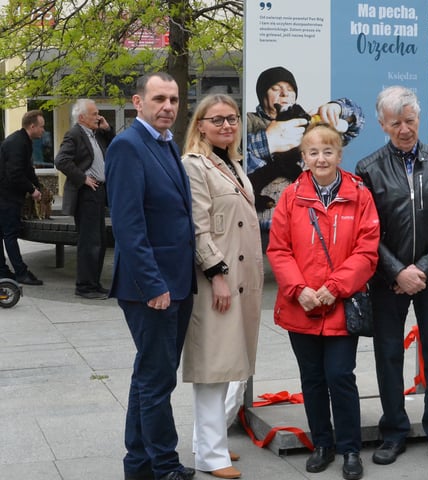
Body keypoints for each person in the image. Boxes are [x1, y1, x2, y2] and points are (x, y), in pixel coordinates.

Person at [355, 86, 428, 469]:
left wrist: (424, 268)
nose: (404, 129)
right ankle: (393, 432)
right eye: (395, 123)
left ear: (419, 118)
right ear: (382, 124)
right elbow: (366, 230)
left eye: (410, 120)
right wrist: (397, 271)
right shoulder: (368, 168)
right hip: (388, 280)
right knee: (389, 356)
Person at [267, 123, 379, 480]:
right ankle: (322, 444)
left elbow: (367, 250)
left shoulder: (359, 195)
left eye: (328, 151)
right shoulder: (291, 197)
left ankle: (349, 448)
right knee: (312, 379)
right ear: (303, 157)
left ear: (340, 155)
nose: (321, 158)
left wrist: (336, 287)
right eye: (313, 152)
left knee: (340, 376)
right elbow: (279, 249)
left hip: (340, 303)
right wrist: (298, 289)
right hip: (301, 304)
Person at [105, 72, 197, 480]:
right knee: (157, 381)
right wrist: (153, 284)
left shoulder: (166, 143)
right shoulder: (128, 146)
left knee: (149, 377)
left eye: (173, 99)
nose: (168, 107)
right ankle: (164, 466)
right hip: (153, 288)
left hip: (177, 282)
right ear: (138, 102)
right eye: (159, 98)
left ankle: (139, 465)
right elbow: (128, 226)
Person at [180, 94, 263, 480]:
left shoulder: (233, 163)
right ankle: (211, 456)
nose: (227, 125)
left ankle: (207, 442)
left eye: (231, 119)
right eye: (217, 120)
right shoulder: (194, 165)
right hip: (217, 279)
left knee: (230, 365)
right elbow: (198, 227)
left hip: (241, 280)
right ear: (200, 125)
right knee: (214, 366)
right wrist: (216, 275)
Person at [246, 66, 364, 233]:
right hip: (260, 228)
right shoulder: (247, 122)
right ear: (262, 94)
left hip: (305, 227)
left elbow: (355, 125)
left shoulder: (305, 122)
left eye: (290, 89)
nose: (284, 94)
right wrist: (267, 141)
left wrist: (337, 108)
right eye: (276, 89)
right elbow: (232, 161)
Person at [54, 99, 115, 299]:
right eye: (94, 114)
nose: (98, 117)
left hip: (99, 192)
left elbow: (114, 146)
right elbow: (61, 160)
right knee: (90, 242)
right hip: (86, 194)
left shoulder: (95, 134)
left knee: (100, 240)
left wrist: (107, 129)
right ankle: (84, 287)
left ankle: (94, 284)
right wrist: (82, 178)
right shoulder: (74, 134)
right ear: (82, 117)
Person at [0, 110, 46, 286]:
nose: (43, 130)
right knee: (10, 234)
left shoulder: (22, 141)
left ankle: (3, 272)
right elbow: (15, 173)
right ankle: (20, 273)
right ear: (32, 126)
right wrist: (32, 190)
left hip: (6, 195)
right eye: (41, 127)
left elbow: (27, 169)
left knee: (4, 234)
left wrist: (37, 185)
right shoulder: (17, 143)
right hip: (7, 197)